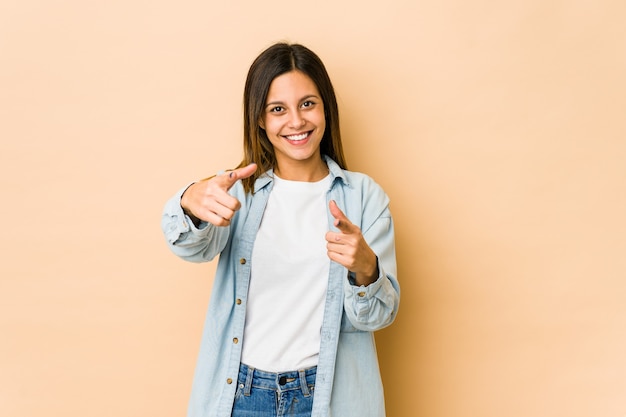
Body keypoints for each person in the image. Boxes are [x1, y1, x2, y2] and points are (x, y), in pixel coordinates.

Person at [161, 42, 400, 417]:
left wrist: (366, 268)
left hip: (325, 398)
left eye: (308, 103)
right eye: (277, 109)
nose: (296, 121)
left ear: (326, 108)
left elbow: (375, 317)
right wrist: (190, 200)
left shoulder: (364, 197)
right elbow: (192, 247)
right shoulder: (239, 192)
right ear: (259, 119)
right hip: (242, 396)